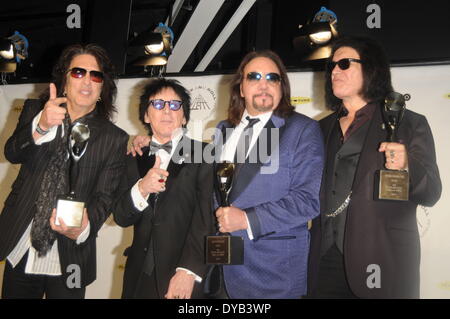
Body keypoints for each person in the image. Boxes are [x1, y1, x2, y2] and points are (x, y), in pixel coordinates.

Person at [307, 36, 442, 299]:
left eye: (344, 63)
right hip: (323, 262)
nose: (334, 70)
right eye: (331, 66)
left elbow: (432, 192)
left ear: (371, 69)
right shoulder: (319, 129)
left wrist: (406, 166)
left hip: (382, 260)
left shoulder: (408, 123)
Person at [0, 44, 128, 298]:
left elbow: (105, 197)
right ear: (64, 80)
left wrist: (84, 226)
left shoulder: (114, 139)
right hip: (21, 244)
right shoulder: (36, 112)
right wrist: (42, 126)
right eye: (78, 72)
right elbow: (12, 152)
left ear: (103, 88)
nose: (87, 81)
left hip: (70, 255)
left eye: (96, 75)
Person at [209, 50, 324, 299]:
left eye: (272, 78)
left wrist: (247, 220)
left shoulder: (303, 130)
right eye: (254, 77)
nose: (264, 84)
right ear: (241, 88)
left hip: (274, 277)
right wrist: (153, 144)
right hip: (220, 273)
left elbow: (307, 200)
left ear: (282, 87)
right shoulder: (223, 129)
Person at [113, 78, 214, 299]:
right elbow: (121, 217)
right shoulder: (133, 158)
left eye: (175, 105)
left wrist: (188, 271)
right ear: (147, 115)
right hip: (138, 277)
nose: (167, 110)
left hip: (182, 277)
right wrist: (142, 188)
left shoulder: (205, 155)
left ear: (185, 116)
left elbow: (206, 221)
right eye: (158, 104)